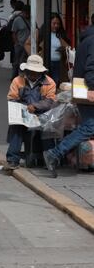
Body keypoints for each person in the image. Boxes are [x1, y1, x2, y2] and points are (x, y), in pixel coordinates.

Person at [45, 20, 94, 177]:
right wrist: (92, 89)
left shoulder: (87, 39)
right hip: (89, 92)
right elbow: (91, 68)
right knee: (90, 127)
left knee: (89, 126)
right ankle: (55, 153)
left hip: (84, 92)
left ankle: (56, 153)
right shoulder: (93, 41)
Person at [5, 55, 57, 170]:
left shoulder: (49, 82)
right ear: (26, 70)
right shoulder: (17, 81)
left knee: (48, 128)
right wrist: (24, 109)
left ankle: (50, 159)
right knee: (16, 127)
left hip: (42, 113)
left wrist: (35, 106)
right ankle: (12, 160)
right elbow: (12, 98)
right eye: (31, 71)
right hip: (23, 113)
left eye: (36, 72)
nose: (33, 74)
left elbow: (50, 101)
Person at [39, 12, 71, 85]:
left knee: (55, 83)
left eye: (58, 24)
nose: (56, 26)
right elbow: (28, 44)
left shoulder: (60, 35)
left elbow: (68, 48)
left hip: (58, 64)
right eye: (54, 23)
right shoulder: (42, 33)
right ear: (48, 23)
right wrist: (35, 55)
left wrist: (63, 49)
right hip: (45, 63)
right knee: (45, 84)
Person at [9, 1, 30, 78]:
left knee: (25, 62)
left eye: (29, 13)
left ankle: (22, 77)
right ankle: (14, 77)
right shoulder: (17, 20)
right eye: (26, 13)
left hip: (28, 45)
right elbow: (14, 32)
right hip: (20, 45)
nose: (27, 15)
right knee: (17, 62)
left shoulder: (32, 19)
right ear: (23, 12)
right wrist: (16, 43)